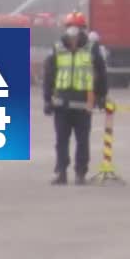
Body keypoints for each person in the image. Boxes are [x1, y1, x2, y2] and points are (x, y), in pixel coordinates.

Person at [43, 12, 108, 185]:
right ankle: (61, 172)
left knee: (82, 142)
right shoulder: (57, 48)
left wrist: (101, 96)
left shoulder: (92, 49)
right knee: (61, 141)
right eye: (70, 27)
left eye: (77, 27)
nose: (73, 31)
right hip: (61, 104)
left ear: (83, 30)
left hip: (83, 104)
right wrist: (47, 100)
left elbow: (101, 74)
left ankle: (80, 173)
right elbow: (49, 75)